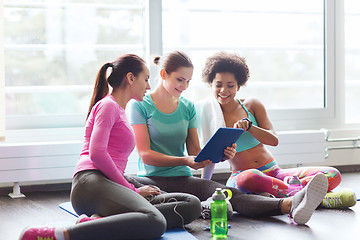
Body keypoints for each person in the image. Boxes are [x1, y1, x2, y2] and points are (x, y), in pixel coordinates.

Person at [128, 50, 329, 225]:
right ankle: (199, 207)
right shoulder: (140, 105)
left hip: (182, 177)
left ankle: (290, 204)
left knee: (228, 195)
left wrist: (221, 155)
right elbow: (146, 155)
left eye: (188, 81)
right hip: (151, 178)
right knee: (190, 203)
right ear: (163, 74)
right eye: (179, 80)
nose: (184, 86)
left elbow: (195, 154)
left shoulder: (188, 107)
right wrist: (186, 161)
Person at [19, 54, 202, 240]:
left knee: (190, 204)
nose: (148, 86)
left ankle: (98, 222)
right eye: (146, 79)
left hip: (109, 183)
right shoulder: (108, 106)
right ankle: (57, 234)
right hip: (90, 183)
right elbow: (97, 154)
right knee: (155, 221)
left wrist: (131, 188)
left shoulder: (120, 110)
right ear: (130, 78)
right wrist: (132, 190)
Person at [196, 51, 356, 209]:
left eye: (230, 85)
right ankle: (305, 195)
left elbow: (273, 140)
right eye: (218, 85)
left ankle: (293, 195)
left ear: (238, 86)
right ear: (210, 84)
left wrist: (250, 127)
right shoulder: (211, 115)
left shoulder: (252, 105)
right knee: (249, 177)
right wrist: (204, 188)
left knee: (333, 174)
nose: (224, 90)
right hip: (243, 177)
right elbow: (208, 157)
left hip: (274, 173)